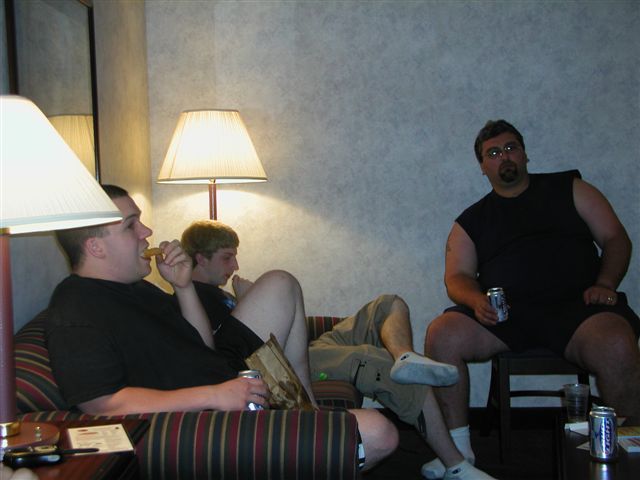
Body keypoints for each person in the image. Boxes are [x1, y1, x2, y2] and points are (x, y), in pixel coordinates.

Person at [47, 185, 399, 472]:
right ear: (95, 246)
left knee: (280, 281)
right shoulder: (76, 308)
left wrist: (184, 286)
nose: (147, 232)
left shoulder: (137, 288)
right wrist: (215, 395)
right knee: (377, 432)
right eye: (131, 225)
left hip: (224, 378)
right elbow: (104, 404)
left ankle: (307, 411)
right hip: (207, 416)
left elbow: (201, 344)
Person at [182, 220, 497, 480]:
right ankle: (455, 464)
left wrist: (242, 300)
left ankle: (403, 354)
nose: (235, 265)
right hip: (277, 363)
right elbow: (211, 355)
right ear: (200, 258)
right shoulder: (193, 298)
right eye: (227, 257)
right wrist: (245, 300)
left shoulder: (219, 294)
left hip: (305, 348)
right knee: (372, 360)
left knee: (388, 304)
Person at [423, 119, 640, 478]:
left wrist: (606, 282)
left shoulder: (571, 188)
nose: (504, 157)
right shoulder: (472, 220)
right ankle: (457, 453)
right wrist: (476, 301)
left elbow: (616, 238)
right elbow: (456, 276)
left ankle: (630, 449)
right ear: (482, 166)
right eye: (493, 153)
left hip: (578, 310)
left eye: (511, 148)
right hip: (507, 316)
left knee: (617, 342)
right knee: (442, 334)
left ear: (524, 154)